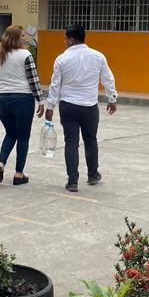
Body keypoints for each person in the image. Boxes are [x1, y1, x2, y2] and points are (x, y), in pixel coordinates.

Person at [45, 25, 117, 193]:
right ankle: (92, 174)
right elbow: (108, 78)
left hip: (68, 105)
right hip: (89, 106)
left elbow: (55, 85)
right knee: (90, 140)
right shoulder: (98, 56)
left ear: (71, 39)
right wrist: (112, 98)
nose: (64, 41)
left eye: (65, 38)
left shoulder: (61, 59)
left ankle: (72, 181)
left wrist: (50, 106)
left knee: (71, 142)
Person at [0, 25, 44, 186]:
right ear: (15, 38)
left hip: (4, 99)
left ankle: (1, 164)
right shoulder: (25, 55)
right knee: (23, 137)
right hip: (23, 99)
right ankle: (19, 174)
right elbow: (33, 79)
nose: (25, 39)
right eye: (22, 36)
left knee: (10, 133)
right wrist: (40, 100)